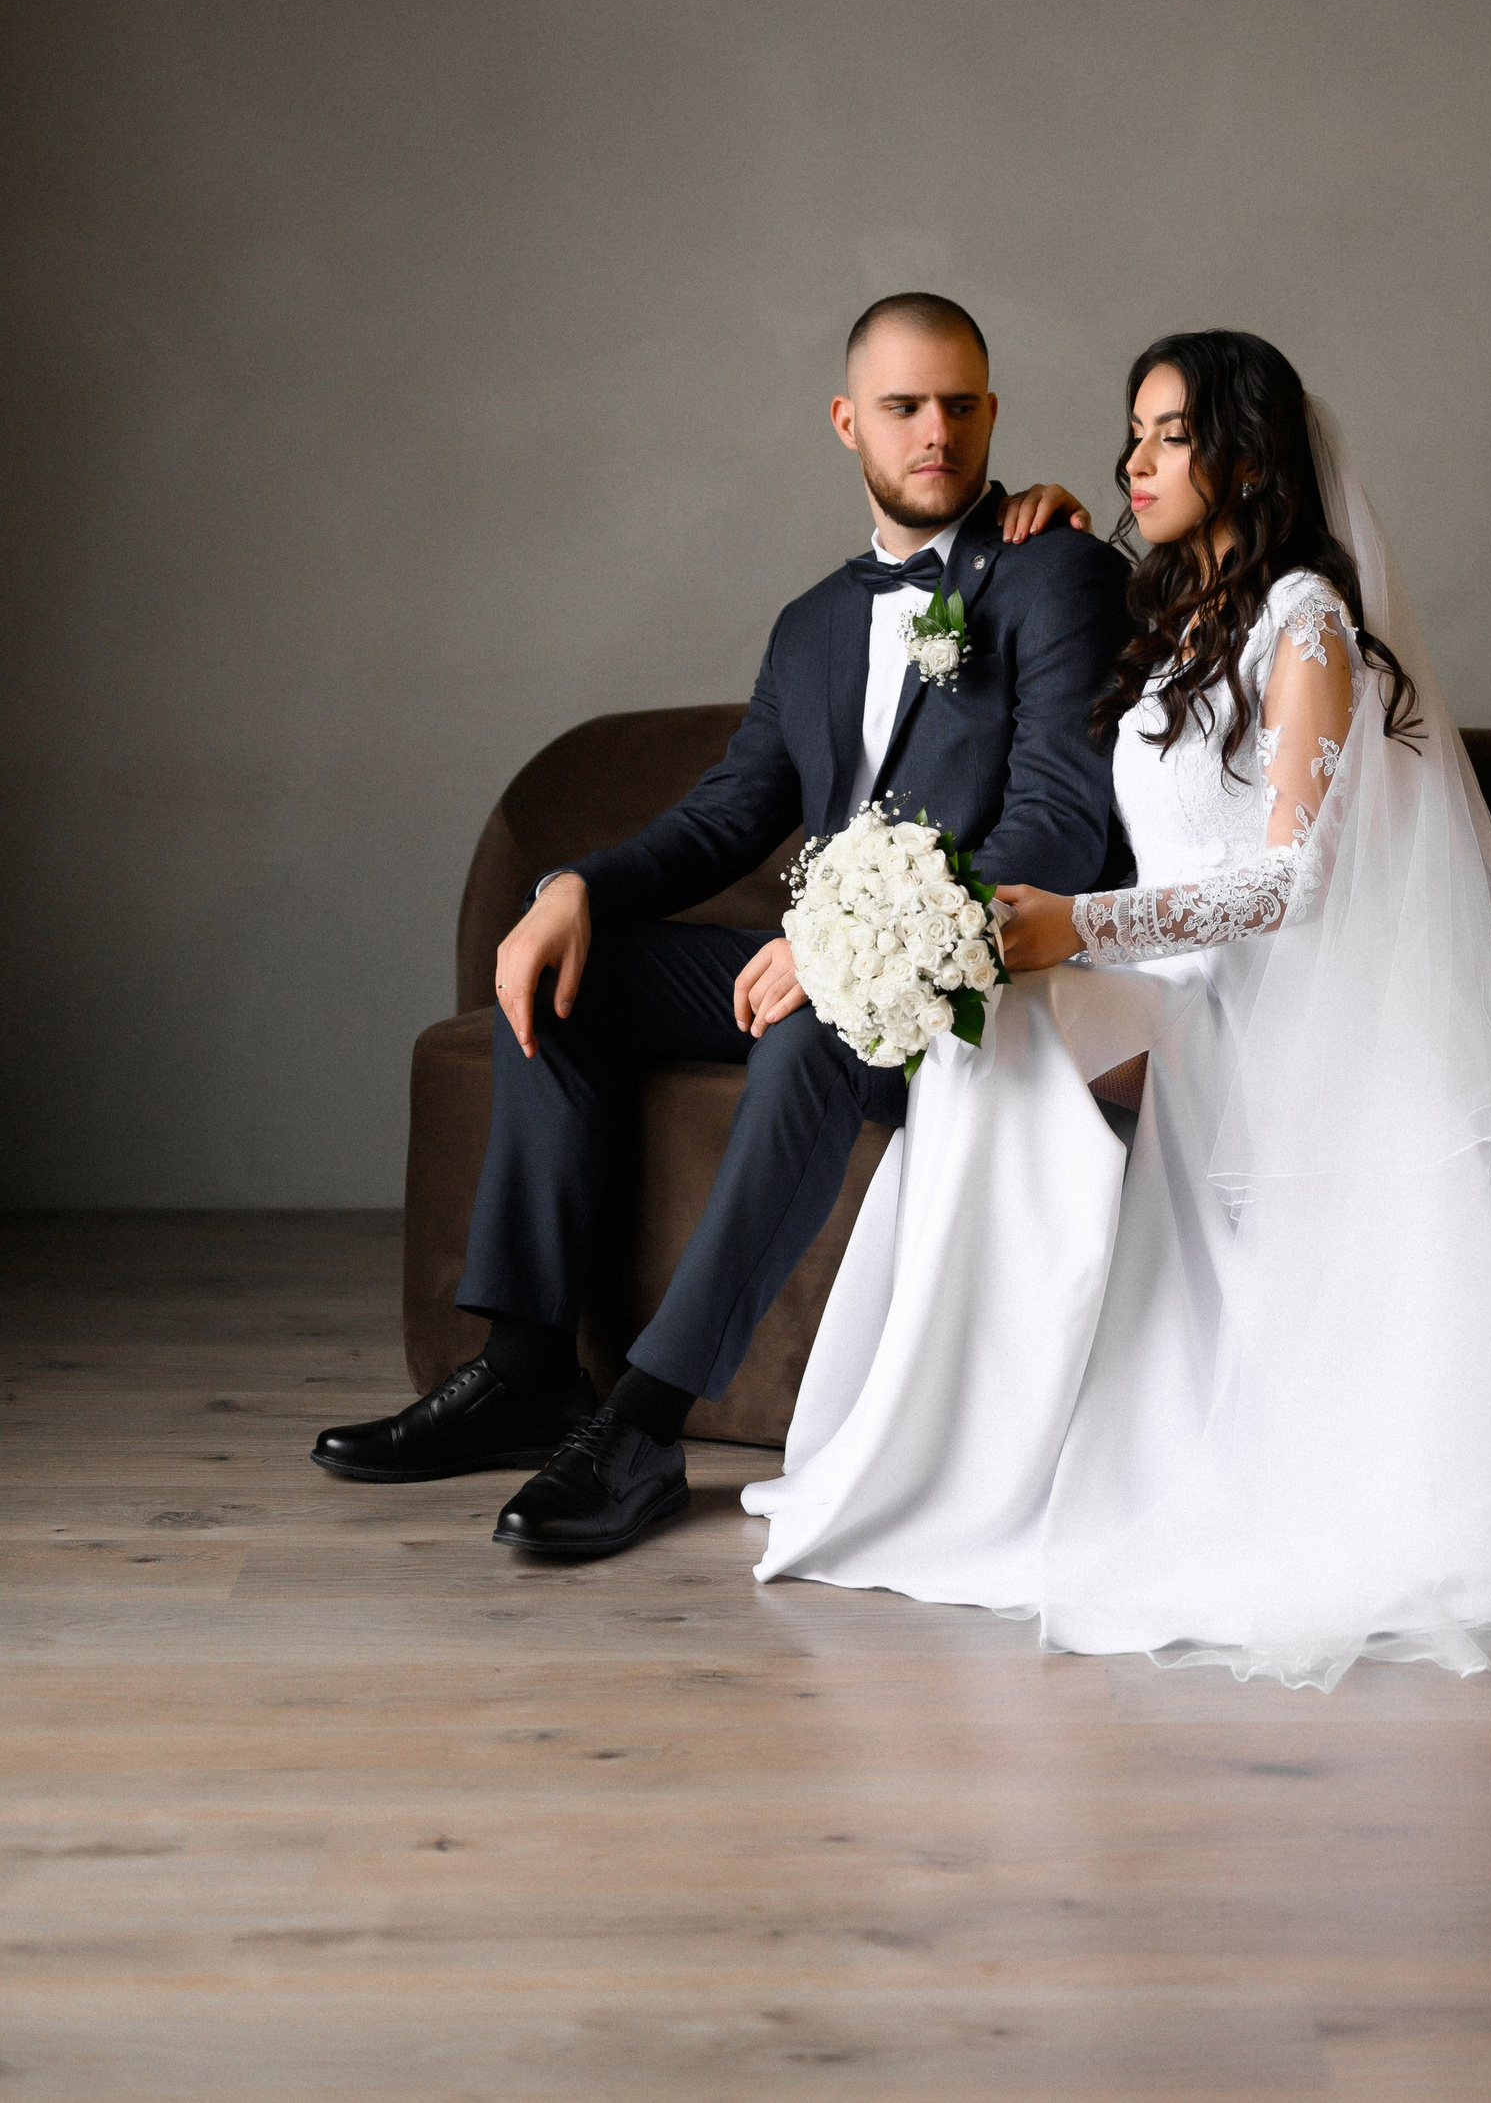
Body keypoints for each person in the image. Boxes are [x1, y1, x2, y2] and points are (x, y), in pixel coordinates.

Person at [745, 331, 1491, 1689]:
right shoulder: (1183, 615)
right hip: (1171, 987)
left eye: (1170, 434)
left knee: (1018, 1020)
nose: (1137, 459)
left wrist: (1080, 925)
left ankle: (1025, 1450)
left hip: (1264, 996)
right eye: (1134, 432)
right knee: (980, 1034)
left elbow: (1294, 881)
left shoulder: (1307, 622)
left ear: (1243, 458)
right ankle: (944, 1443)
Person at [312, 293, 1128, 1556]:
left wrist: (845, 950)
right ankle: (526, 1370)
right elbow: (730, 812)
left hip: (978, 985)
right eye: (904, 406)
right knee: (573, 975)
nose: (936, 432)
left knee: (813, 1031)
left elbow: (1059, 826)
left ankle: (643, 1426)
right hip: (838, 961)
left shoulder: (1053, 571)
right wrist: (573, 889)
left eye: (960, 404)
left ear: (992, 413)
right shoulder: (812, 625)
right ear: (847, 421)